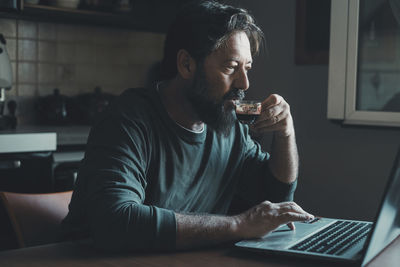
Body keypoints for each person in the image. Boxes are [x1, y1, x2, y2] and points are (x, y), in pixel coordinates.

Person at [61, 0, 314, 251]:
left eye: (247, 68)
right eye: (231, 67)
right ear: (186, 64)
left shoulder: (227, 124)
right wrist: (239, 224)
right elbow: (116, 223)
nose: (244, 83)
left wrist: (285, 133)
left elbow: (278, 200)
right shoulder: (128, 120)